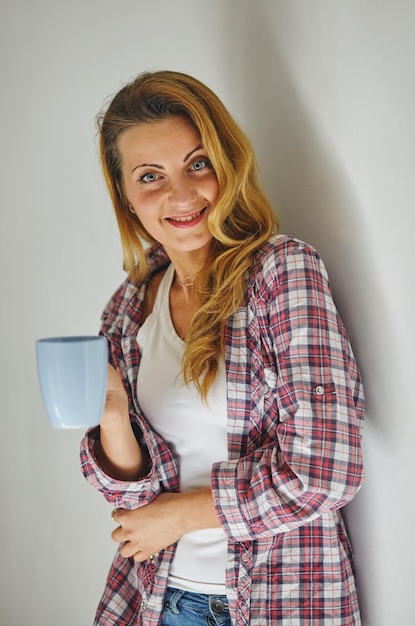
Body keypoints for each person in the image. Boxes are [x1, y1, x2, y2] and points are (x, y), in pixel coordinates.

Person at [80, 70, 365, 626]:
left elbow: (327, 472)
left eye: (197, 163)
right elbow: (134, 499)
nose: (180, 195)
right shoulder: (128, 306)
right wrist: (113, 415)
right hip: (157, 599)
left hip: (275, 600)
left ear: (227, 164)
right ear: (126, 196)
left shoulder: (282, 274)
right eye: (149, 176)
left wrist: (181, 516)